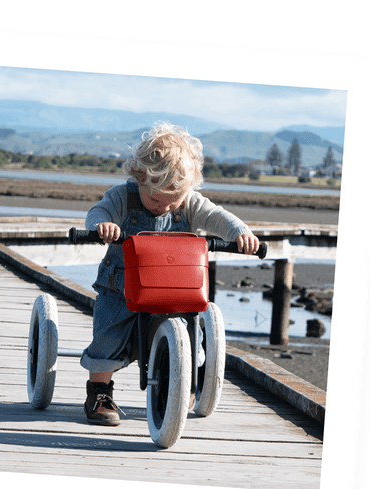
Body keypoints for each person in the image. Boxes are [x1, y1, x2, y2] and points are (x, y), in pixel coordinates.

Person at [81, 122, 260, 426]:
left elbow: (216, 216)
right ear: (140, 178)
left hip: (172, 290)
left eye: (173, 201)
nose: (164, 207)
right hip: (122, 290)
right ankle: (99, 391)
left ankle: (185, 378)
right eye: (156, 200)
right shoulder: (122, 198)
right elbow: (98, 212)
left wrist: (240, 232)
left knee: (191, 333)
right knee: (108, 337)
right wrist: (102, 227)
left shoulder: (189, 203)